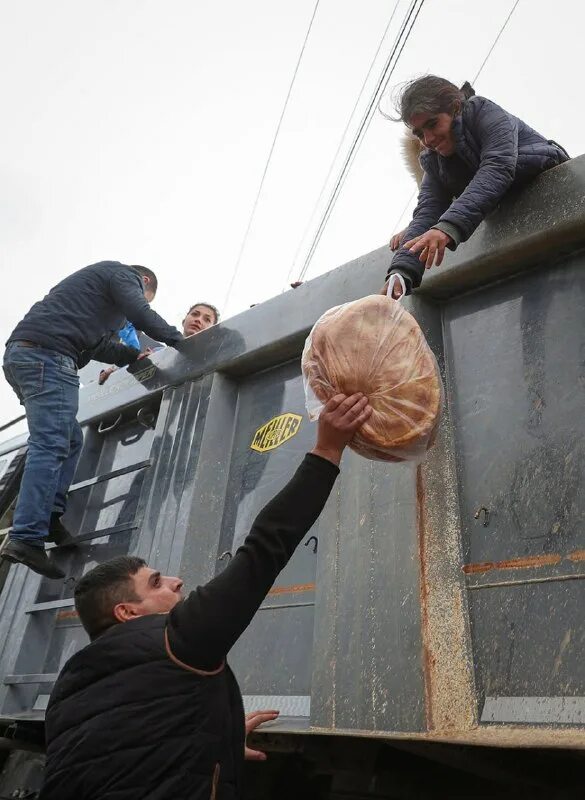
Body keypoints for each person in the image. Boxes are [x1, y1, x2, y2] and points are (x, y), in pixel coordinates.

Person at [39, 392, 372, 800]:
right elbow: (266, 546)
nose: (177, 582)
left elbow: (130, 757)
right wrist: (326, 449)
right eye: (156, 582)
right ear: (126, 611)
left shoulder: (67, 690)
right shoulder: (174, 642)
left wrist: (216, 737)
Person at [1, 261, 183, 579]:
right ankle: (26, 537)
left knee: (71, 439)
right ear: (143, 282)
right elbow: (141, 313)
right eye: (144, 296)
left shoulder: (93, 305)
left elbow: (98, 346)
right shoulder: (123, 275)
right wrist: (178, 341)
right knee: (52, 442)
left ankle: (48, 518)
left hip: (29, 356)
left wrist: (130, 356)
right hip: (47, 357)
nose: (127, 315)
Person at [382, 75, 569, 298]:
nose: (428, 139)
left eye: (432, 124)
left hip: (556, 190)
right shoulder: (434, 161)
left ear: (455, 108)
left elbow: (497, 166)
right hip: (513, 219)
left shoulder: (484, 112)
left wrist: (446, 228)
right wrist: (400, 272)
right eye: (420, 133)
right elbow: (428, 211)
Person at [98, 301, 221, 385]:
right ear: (184, 321)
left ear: (213, 330)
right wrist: (116, 370)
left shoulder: (213, 357)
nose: (198, 320)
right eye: (195, 314)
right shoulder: (156, 352)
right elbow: (153, 385)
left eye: (207, 319)